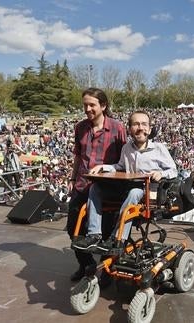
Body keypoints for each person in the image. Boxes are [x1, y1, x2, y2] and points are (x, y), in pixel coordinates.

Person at [72, 110, 177, 252]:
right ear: (129, 129)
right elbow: (119, 167)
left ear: (150, 129)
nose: (140, 127)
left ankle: (117, 238)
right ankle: (94, 235)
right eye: (136, 124)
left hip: (147, 192)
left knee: (134, 192)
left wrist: (161, 173)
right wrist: (103, 167)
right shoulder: (126, 148)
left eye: (144, 124)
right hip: (125, 188)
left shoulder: (159, 148)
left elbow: (174, 171)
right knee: (95, 189)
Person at [66, 88, 126, 282]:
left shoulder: (118, 128)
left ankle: (108, 271)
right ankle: (86, 264)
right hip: (82, 185)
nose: (88, 108)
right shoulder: (80, 128)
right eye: (85, 105)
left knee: (108, 233)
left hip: (107, 188)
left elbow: (124, 160)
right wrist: (73, 179)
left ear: (103, 105)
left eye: (92, 104)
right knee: (72, 228)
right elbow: (77, 156)